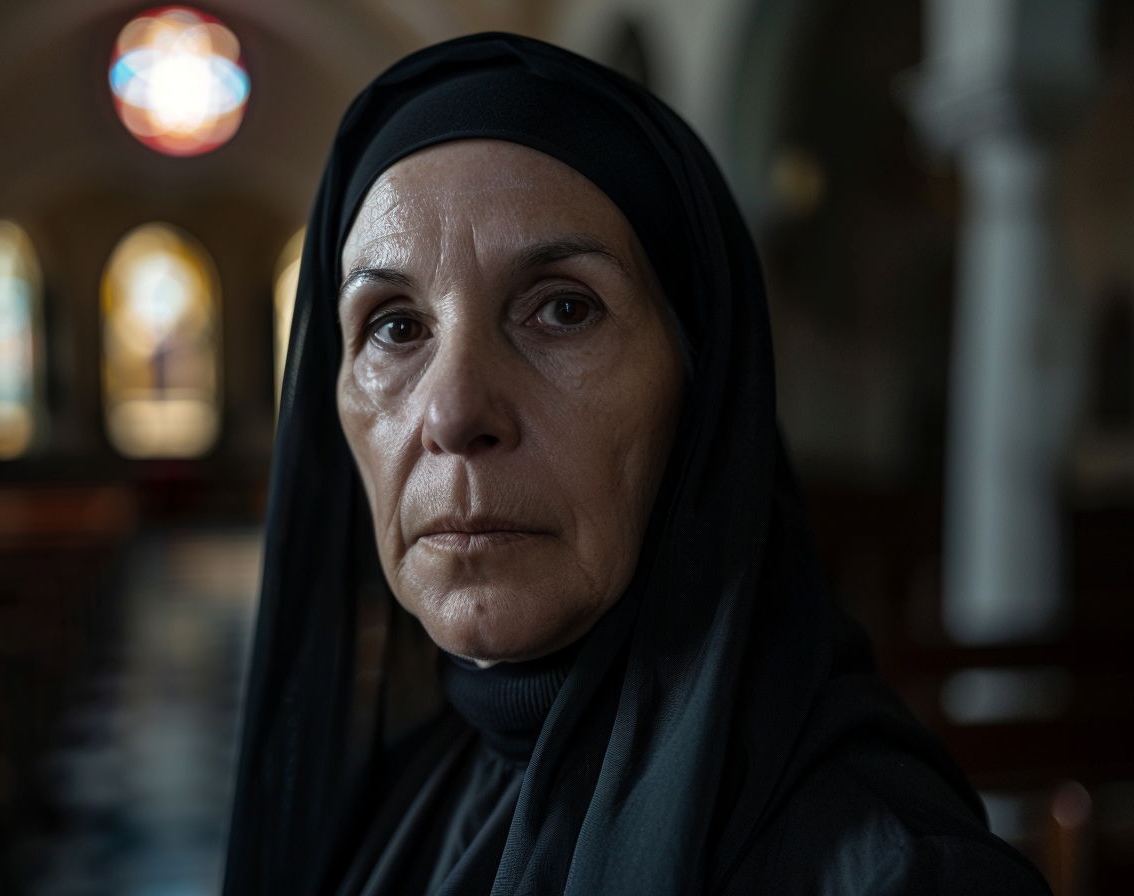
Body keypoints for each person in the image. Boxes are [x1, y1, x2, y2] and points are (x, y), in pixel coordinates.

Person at [224, 33, 1051, 896]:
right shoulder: (394, 802)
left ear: (703, 390)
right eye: (395, 325)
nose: (456, 413)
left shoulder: (901, 877)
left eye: (563, 308)